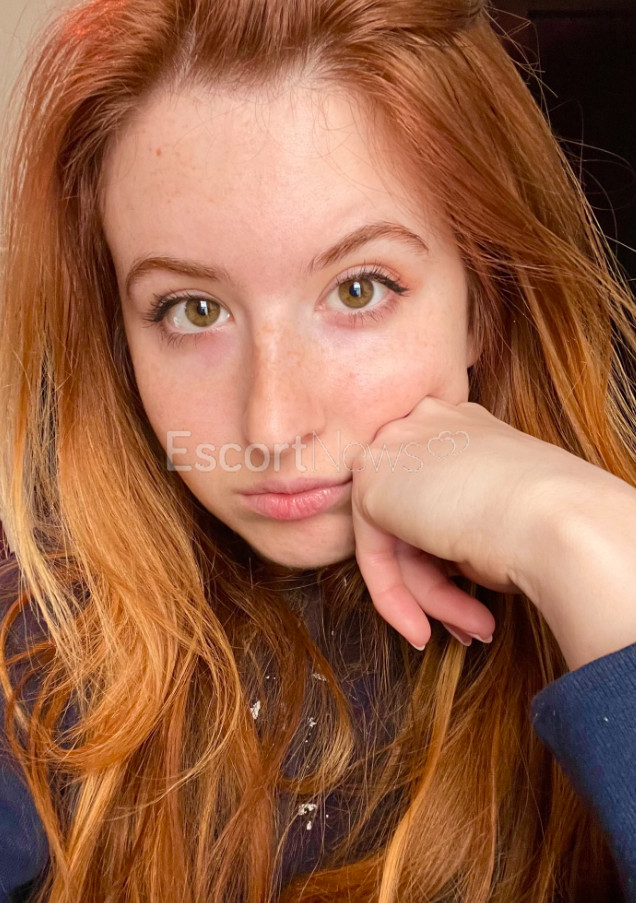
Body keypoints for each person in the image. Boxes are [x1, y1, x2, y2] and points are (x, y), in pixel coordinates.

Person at [0, 0, 635, 900]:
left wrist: (583, 541)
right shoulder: (31, 643)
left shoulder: (602, 563)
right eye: (192, 309)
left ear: (485, 300)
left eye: (359, 289)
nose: (272, 425)